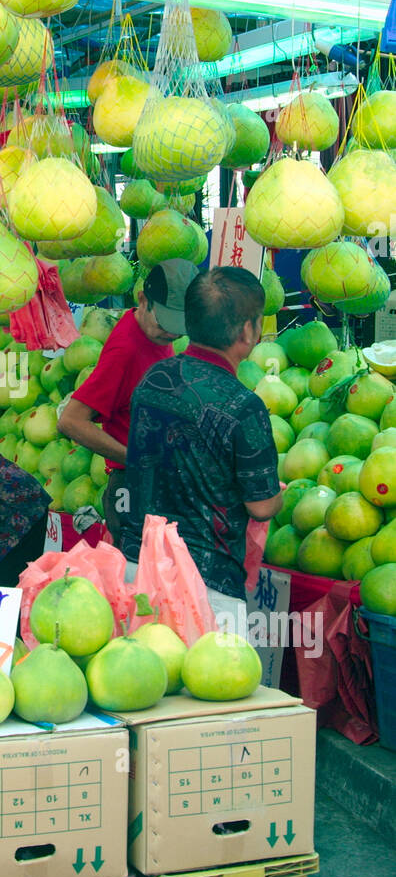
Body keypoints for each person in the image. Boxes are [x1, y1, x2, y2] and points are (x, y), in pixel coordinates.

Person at [119, 266, 282, 636]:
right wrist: (276, 495)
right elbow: (262, 505)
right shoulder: (244, 405)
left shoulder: (153, 381)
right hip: (207, 587)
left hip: (140, 568)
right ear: (247, 331)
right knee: (217, 689)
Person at [57, 258, 198, 542]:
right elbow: (70, 421)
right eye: (165, 322)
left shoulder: (152, 329)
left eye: (179, 326)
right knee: (137, 573)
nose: (170, 333)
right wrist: (135, 459)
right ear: (143, 299)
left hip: (159, 479)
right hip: (133, 486)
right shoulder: (125, 350)